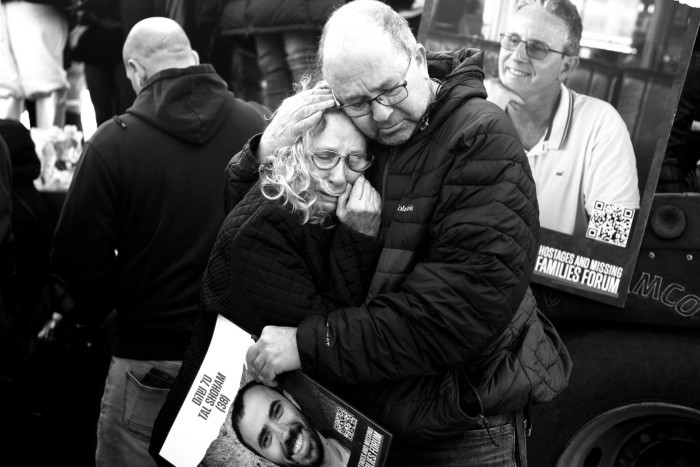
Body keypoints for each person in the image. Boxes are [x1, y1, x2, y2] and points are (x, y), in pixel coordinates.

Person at [226, 1, 571, 465]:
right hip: (372, 422)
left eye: (391, 89)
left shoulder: (482, 140)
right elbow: (262, 236)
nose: (383, 114)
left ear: (419, 56)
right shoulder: (354, 129)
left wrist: (305, 345)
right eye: (361, 102)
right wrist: (265, 152)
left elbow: (451, 315)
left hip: (462, 423)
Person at [51, 17, 267, 466]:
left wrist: (123, 303)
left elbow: (75, 261)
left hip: (146, 360)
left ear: (134, 71)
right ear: (192, 58)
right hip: (241, 363)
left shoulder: (112, 144)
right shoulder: (257, 128)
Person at [149, 98, 383, 466]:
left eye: (356, 160)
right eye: (325, 157)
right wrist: (359, 239)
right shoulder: (266, 229)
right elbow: (329, 342)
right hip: (225, 427)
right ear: (294, 155)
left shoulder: (303, 206)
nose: (341, 177)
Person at [484, 0, 640, 236]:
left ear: (566, 67)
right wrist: (484, 118)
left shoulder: (602, 125)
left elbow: (615, 236)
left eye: (536, 48)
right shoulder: (474, 106)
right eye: (513, 40)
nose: (516, 56)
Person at [232, 381, 350, 467]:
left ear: (293, 401)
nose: (285, 434)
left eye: (277, 411)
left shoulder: (357, 423)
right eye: (266, 439)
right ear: (266, 461)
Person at [0, 0, 69, 128]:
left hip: (36, 6)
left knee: (46, 83)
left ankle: (51, 144)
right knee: (5, 89)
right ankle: (5, 144)